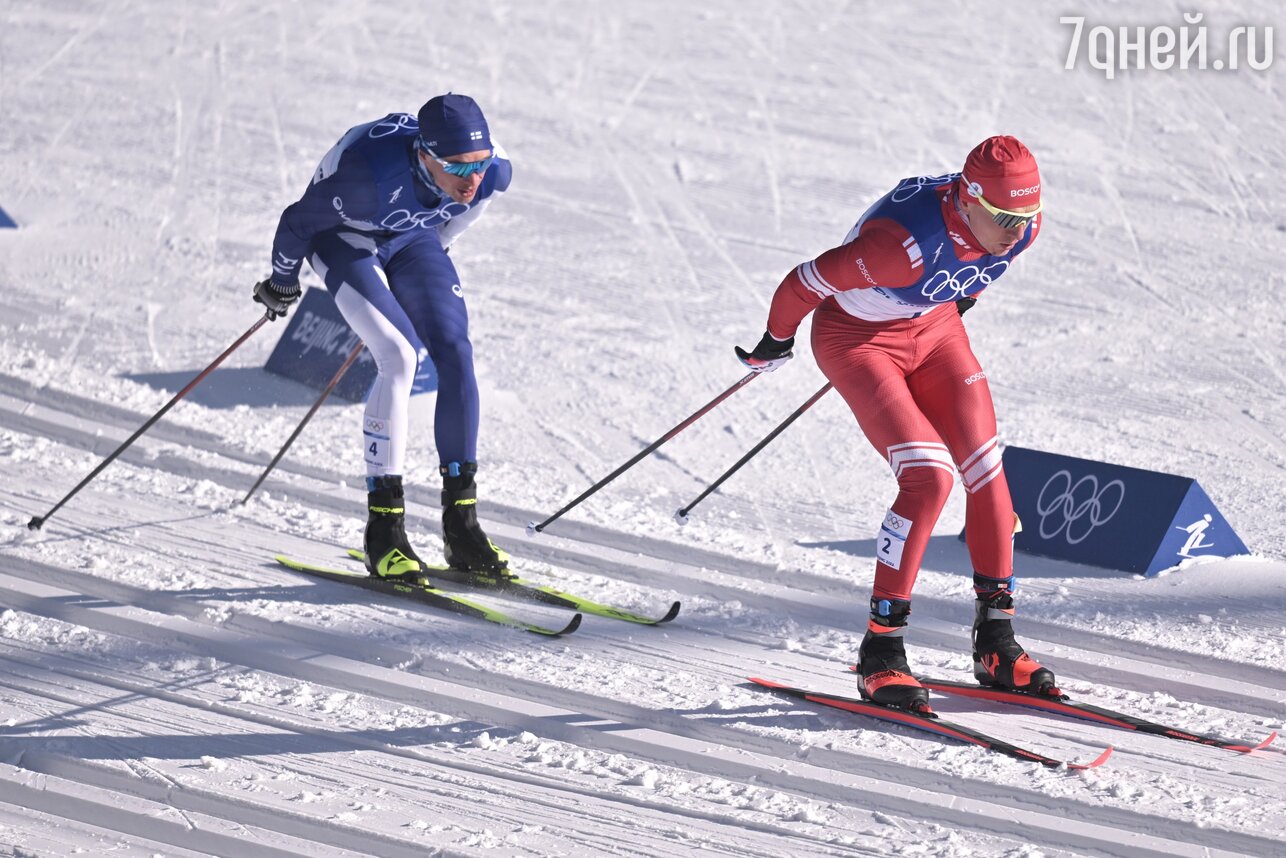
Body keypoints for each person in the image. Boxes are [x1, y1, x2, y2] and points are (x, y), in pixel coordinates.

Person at [736, 136, 1055, 711]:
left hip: (933, 332)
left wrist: (954, 299)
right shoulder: (900, 247)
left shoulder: (1021, 228)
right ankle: (880, 651)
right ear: (969, 198)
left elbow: (971, 278)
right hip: (856, 341)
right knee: (929, 479)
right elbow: (804, 282)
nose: (1018, 230)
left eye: (1028, 215)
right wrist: (774, 342)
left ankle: (997, 643)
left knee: (988, 469)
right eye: (1006, 216)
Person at [253, 93, 513, 584]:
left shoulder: (488, 169)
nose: (472, 179)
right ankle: (384, 532)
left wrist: (436, 244)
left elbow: (474, 202)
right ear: (425, 155)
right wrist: (281, 282)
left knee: (456, 352)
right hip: (344, 236)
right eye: (459, 168)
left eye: (479, 163)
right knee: (397, 355)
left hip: (411, 239)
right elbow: (296, 222)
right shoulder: (365, 178)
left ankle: (462, 526)